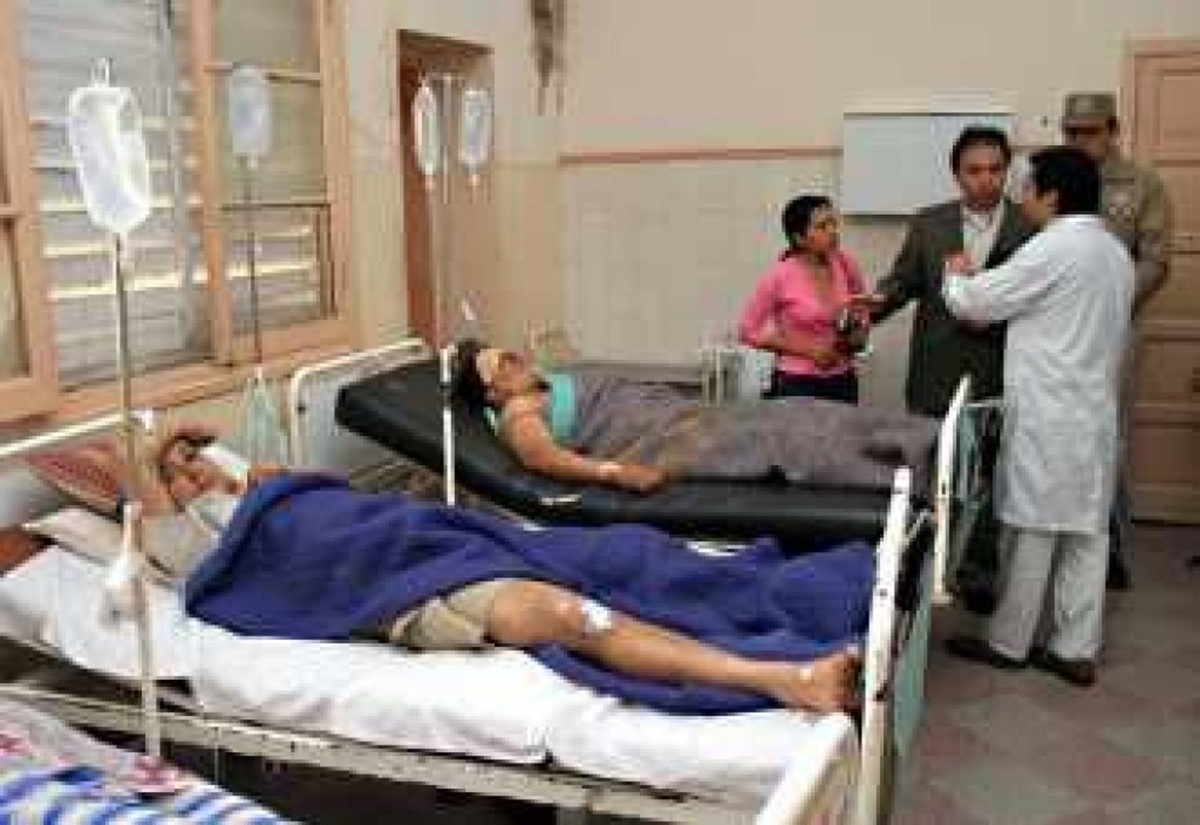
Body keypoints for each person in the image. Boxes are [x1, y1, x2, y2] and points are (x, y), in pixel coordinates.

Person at [131, 424, 863, 715]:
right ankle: (778, 676)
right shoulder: (197, 545)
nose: (193, 474)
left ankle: (781, 595)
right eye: (177, 474)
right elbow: (145, 494)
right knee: (573, 615)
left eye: (194, 461)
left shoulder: (270, 493)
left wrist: (253, 475)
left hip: (443, 540)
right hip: (412, 587)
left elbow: (352, 508)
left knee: (624, 551)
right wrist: (156, 451)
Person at [940, 146, 1134, 688]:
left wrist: (956, 277)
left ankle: (1008, 642)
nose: (1020, 196)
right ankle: (1076, 649)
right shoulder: (1114, 251)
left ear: (1052, 195)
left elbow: (976, 303)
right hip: (1094, 413)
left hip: (1050, 413)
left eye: (1027, 187)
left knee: (1031, 529)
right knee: (1086, 533)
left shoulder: (1052, 248)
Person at [855, 126, 1033, 615]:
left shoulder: (1029, 226)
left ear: (1007, 171)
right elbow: (902, 283)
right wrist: (874, 305)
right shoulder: (930, 224)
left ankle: (979, 572)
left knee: (989, 476)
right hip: (936, 369)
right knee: (930, 470)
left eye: (995, 169)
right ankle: (922, 566)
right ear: (956, 174)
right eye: (974, 170)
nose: (985, 180)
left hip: (1002, 368)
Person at [452, 340, 939, 496]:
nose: (514, 358)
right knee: (783, 440)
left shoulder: (535, 384)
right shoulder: (516, 414)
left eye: (508, 352)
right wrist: (616, 473)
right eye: (502, 365)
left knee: (797, 412)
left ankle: (922, 439)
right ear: (491, 393)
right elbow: (546, 460)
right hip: (662, 440)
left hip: (674, 415)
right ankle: (912, 469)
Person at [1061, 91, 1175, 590]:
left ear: (1113, 129)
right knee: (1054, 431)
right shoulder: (1050, 175)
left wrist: (1110, 302)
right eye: (1071, 132)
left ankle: (1106, 544)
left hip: (1115, 328)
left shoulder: (1143, 185)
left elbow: (1156, 259)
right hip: (1055, 330)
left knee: (1107, 435)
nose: (1078, 141)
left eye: (1089, 132)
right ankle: (1053, 537)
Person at [737, 195, 869, 404]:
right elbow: (748, 331)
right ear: (799, 238)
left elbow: (862, 311)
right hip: (796, 383)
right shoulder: (779, 275)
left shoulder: (846, 264)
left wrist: (858, 335)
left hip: (843, 380)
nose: (833, 231)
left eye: (833, 223)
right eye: (822, 226)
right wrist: (808, 351)